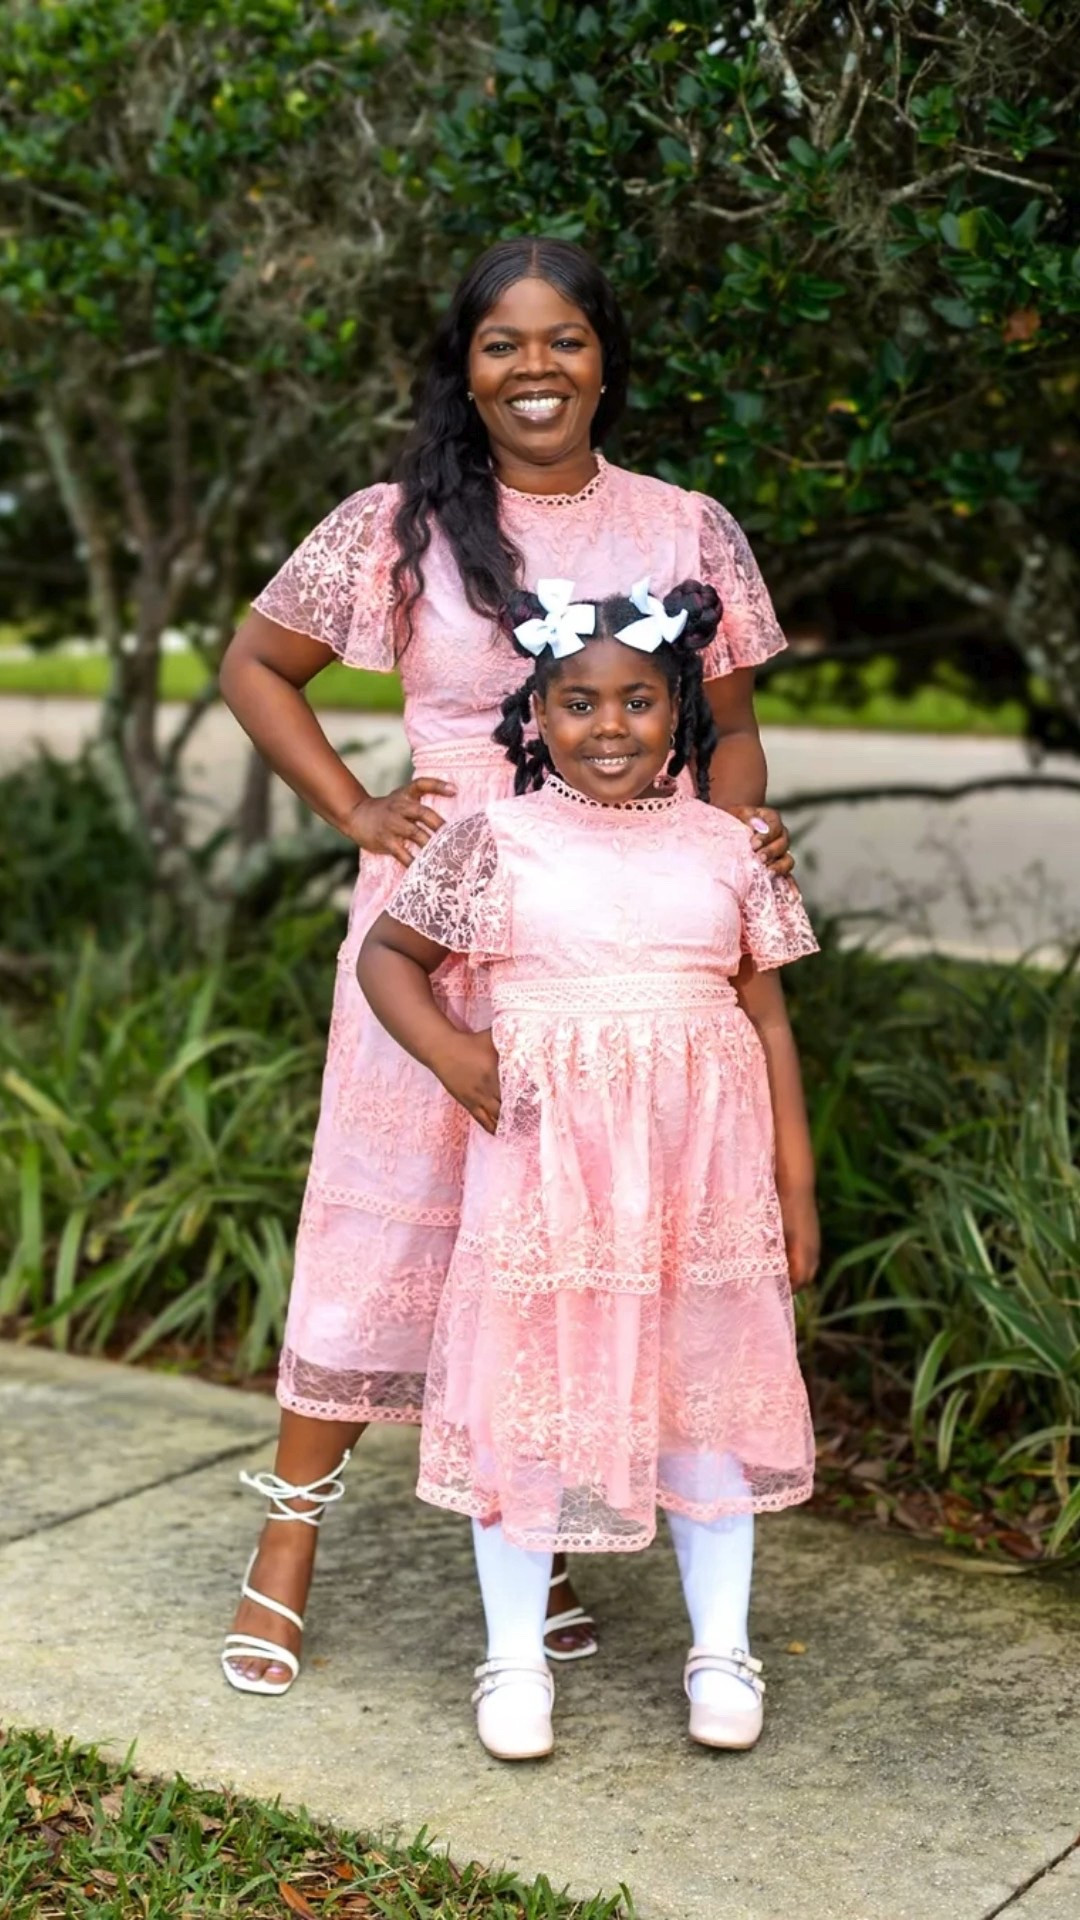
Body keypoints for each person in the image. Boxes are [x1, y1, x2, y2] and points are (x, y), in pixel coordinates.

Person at [219, 236, 796, 1696]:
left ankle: (531, 1541)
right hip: (443, 928)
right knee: (392, 1219)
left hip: (618, 942)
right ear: (462, 368)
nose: (534, 368)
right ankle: (287, 1541)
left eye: (565, 341)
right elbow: (252, 664)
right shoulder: (398, 525)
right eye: (501, 345)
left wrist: (733, 856)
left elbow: (723, 728)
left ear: (608, 356)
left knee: (570, 1245)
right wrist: (356, 810)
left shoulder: (686, 525)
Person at [357, 579, 819, 1759]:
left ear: (680, 714)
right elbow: (389, 958)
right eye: (579, 703)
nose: (609, 727)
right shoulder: (493, 839)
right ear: (538, 714)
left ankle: (723, 1645)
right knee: (530, 1396)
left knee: (706, 1389)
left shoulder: (729, 846)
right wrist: (457, 1056)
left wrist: (795, 1183)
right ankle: (513, 1661)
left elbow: (764, 1020)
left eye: (638, 702)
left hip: (698, 1185)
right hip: (552, 1183)